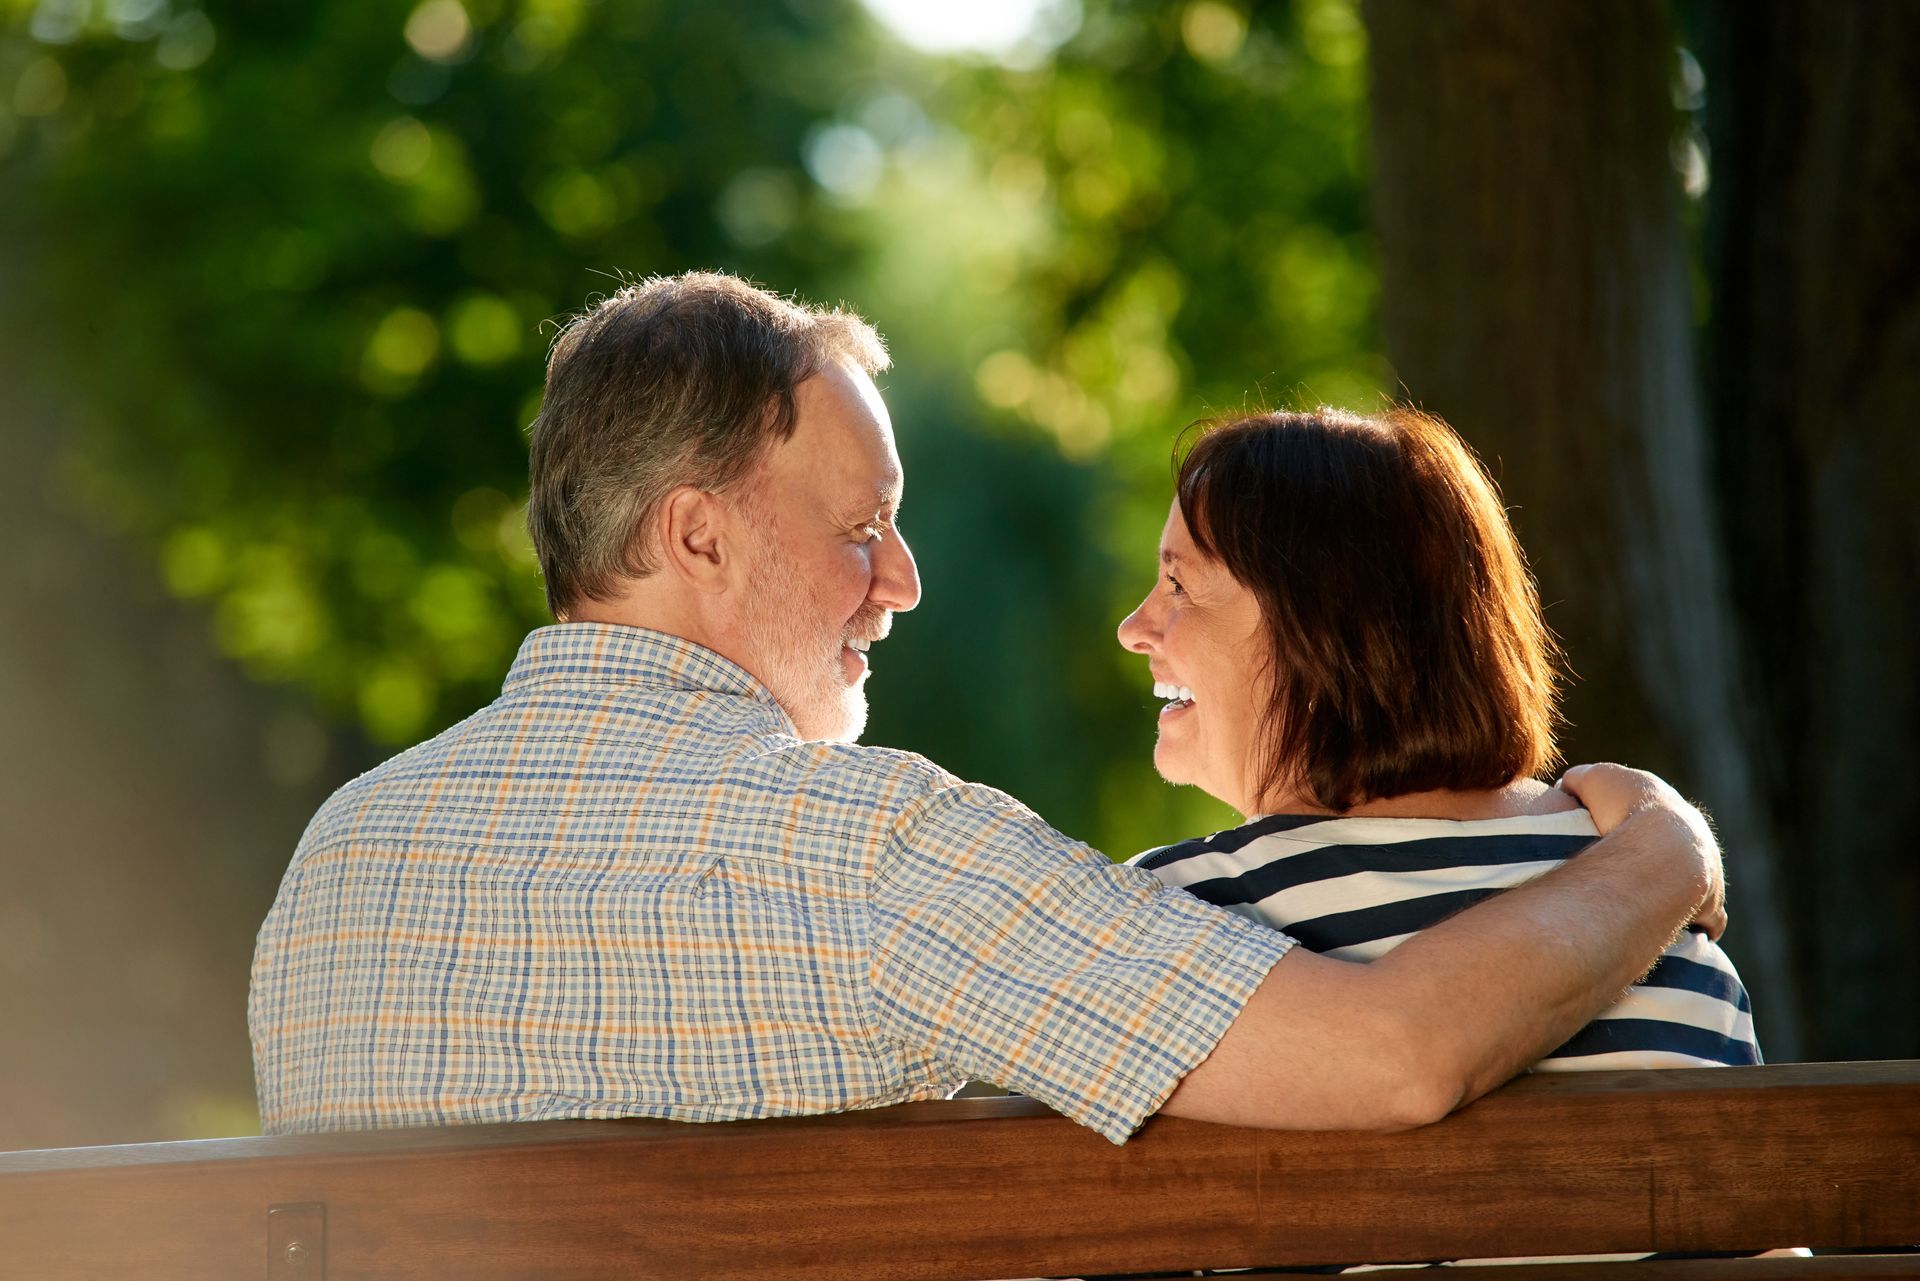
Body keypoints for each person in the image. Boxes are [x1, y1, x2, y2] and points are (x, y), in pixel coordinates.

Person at [249, 272, 1725, 1144]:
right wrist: (1659, 849)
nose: (901, 581)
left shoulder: (332, 871)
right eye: (859, 529)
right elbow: (1393, 1058)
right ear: (696, 536)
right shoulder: (881, 858)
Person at [1117, 406, 1766, 1263]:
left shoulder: (1188, 912)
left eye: (1179, 584)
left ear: (1324, 627)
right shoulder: (1671, 934)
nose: (1135, 627)